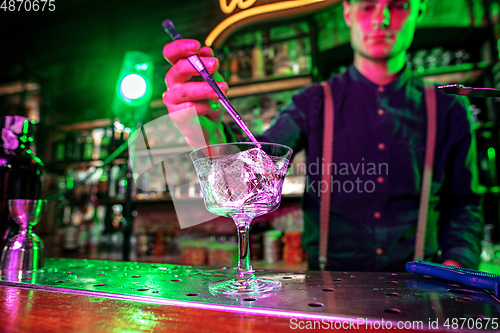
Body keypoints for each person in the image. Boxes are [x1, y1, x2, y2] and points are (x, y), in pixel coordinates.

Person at [162, 0, 484, 271]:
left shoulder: (448, 108)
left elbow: (465, 203)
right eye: (368, 5)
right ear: (347, 11)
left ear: (419, 9)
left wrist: (456, 269)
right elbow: (254, 172)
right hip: (328, 294)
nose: (381, 19)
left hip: (420, 288)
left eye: (398, 5)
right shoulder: (313, 102)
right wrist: (207, 130)